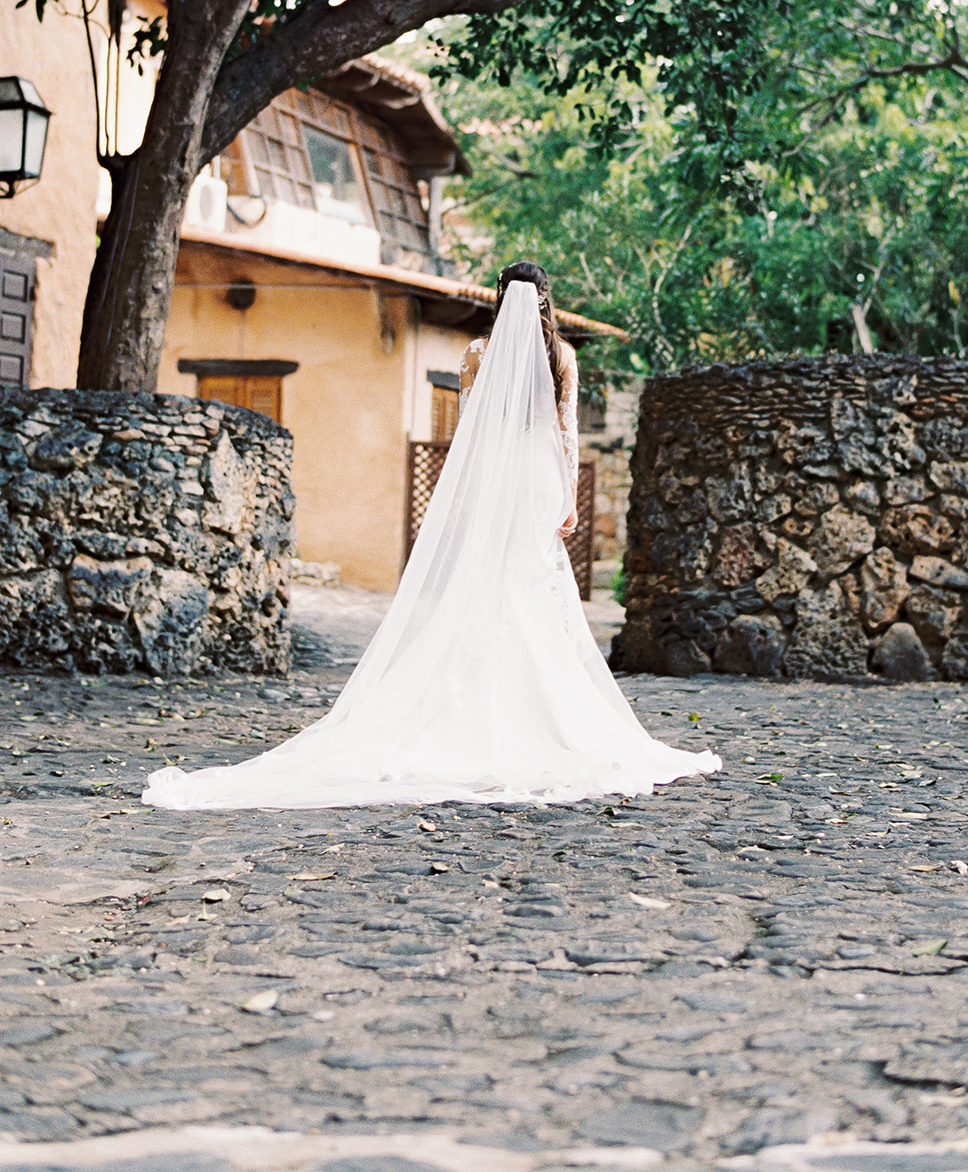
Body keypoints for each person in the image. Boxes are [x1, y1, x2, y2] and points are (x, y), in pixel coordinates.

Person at [143, 263, 720, 809]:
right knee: (532, 589)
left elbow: (469, 434)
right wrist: (567, 499)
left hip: (495, 481)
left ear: (500, 299)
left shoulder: (477, 354)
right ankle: (536, 713)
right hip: (537, 483)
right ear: (547, 300)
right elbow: (566, 433)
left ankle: (470, 703)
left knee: (485, 585)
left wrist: (465, 499)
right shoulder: (562, 356)